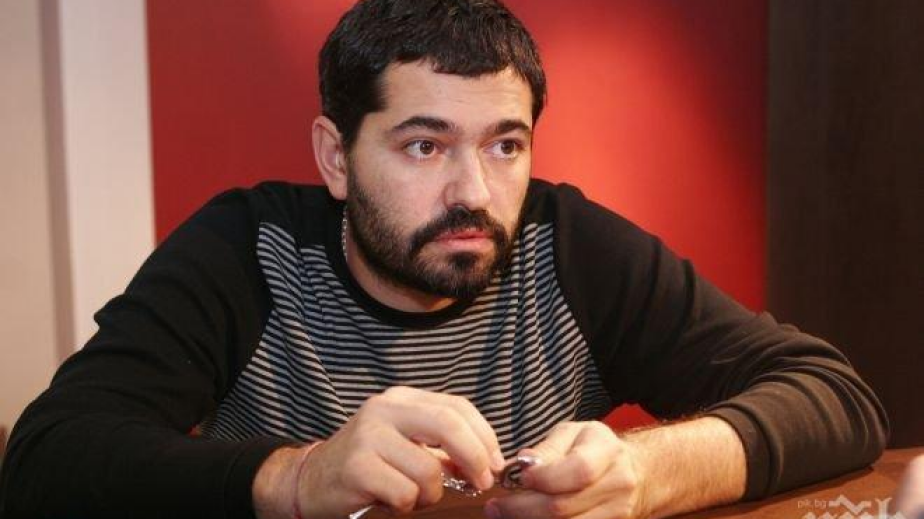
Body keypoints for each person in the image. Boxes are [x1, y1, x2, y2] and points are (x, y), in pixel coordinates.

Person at [0, 1, 889, 518]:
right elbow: (46, 461)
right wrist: (300, 477)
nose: (475, 191)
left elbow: (834, 395)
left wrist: (649, 471)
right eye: (425, 146)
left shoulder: (566, 243)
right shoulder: (246, 249)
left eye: (505, 145)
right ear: (336, 157)